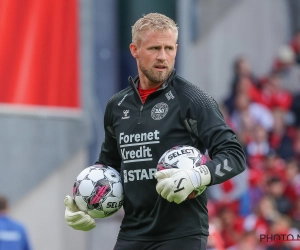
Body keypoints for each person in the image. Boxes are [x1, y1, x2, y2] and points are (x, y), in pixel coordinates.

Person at [64, 13, 246, 250]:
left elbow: (234, 155)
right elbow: (108, 167)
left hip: (182, 235)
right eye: (154, 48)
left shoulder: (193, 100)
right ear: (134, 49)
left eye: (169, 48)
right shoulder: (116, 106)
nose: (163, 57)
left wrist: (196, 176)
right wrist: (83, 202)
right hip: (132, 233)